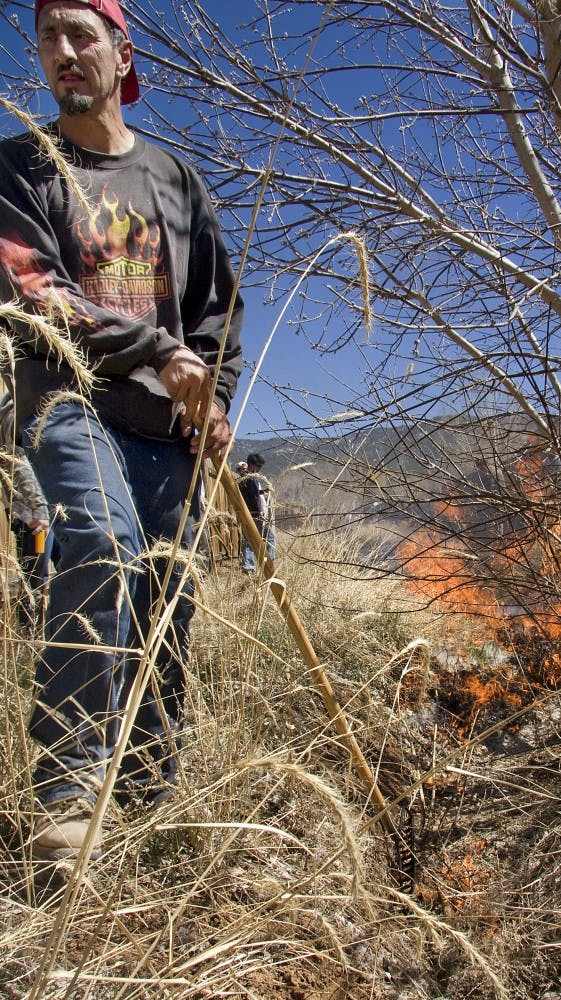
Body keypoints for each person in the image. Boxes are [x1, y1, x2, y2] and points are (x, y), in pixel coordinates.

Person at [0, 0, 243, 861]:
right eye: (48, 39)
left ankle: (145, 795)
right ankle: (69, 792)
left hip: (165, 429)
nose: (63, 54)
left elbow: (217, 308)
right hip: (70, 405)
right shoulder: (19, 167)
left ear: (120, 49)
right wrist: (157, 348)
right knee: (102, 545)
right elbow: (34, 292)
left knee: (164, 598)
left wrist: (211, 396)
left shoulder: (174, 182)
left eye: (81, 35)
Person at [0, 391, 54, 632]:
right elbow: (20, 466)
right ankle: (31, 636)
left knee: (47, 572)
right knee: (36, 577)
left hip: (38, 513)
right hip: (34, 519)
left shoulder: (15, 406)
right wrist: (40, 510)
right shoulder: (15, 413)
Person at [237, 453, 275, 573]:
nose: (259, 470)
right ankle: (269, 563)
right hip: (255, 514)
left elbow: (253, 493)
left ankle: (248, 566)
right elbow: (253, 497)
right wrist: (260, 513)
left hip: (247, 513)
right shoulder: (249, 478)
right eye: (258, 467)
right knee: (270, 538)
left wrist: (263, 491)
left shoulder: (244, 479)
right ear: (252, 465)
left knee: (248, 540)